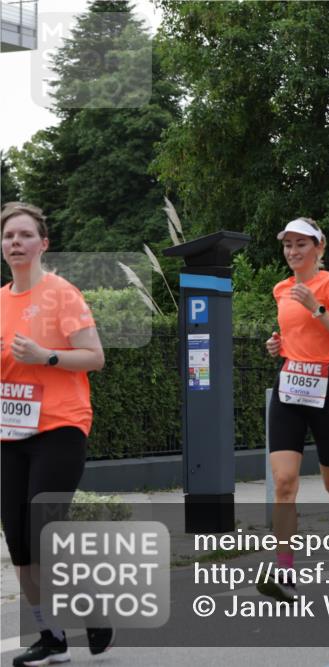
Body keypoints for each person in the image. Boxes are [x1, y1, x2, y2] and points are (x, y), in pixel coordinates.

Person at [1, 202, 114, 665]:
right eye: (9, 236)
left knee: (45, 529)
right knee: (21, 545)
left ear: (43, 244)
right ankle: (51, 636)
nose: (15, 243)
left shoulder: (61, 293)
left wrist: (46, 355)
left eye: (25, 235)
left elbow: (95, 357)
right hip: (12, 431)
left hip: (61, 425)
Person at [257, 217, 329, 602]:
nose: (292, 252)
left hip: (325, 390)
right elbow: (292, 336)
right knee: (285, 483)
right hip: (290, 388)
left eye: (300, 244)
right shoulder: (280, 289)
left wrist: (319, 309)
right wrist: (278, 346)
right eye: (287, 245)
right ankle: (285, 573)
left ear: (318, 247)